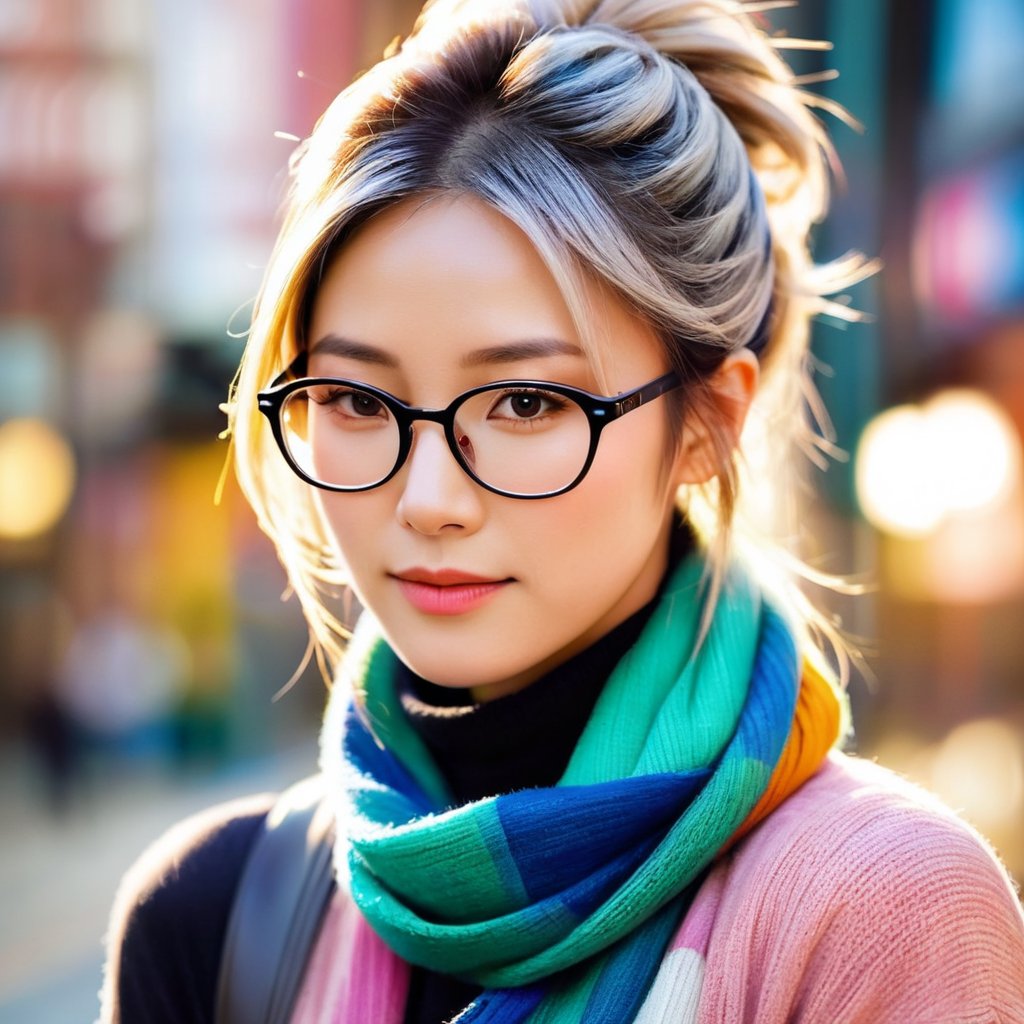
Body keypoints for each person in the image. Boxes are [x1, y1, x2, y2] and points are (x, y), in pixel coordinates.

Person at [100, 1, 1024, 1021]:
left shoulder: (878, 911)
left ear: (709, 422)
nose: (430, 499)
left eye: (528, 404)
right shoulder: (216, 917)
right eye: (357, 401)